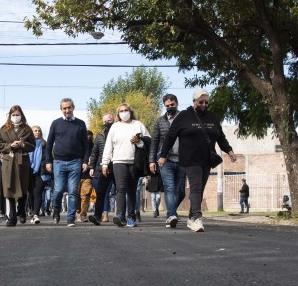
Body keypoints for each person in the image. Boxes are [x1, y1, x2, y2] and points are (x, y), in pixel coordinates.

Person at [158, 88, 238, 233]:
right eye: (201, 102)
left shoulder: (212, 117)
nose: (203, 105)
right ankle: (197, 218)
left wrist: (229, 151)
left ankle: (190, 216)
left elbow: (220, 137)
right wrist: (163, 155)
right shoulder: (184, 116)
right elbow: (170, 136)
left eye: (206, 102)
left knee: (200, 189)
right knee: (195, 187)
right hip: (190, 159)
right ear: (194, 101)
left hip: (206, 159)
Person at [101, 104, 150, 227]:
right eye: (121, 111)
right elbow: (108, 146)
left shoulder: (138, 124)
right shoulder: (115, 127)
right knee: (120, 189)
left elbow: (148, 141)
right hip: (118, 161)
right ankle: (120, 216)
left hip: (134, 162)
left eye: (126, 110)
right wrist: (105, 163)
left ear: (130, 111)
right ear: (118, 114)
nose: (124, 113)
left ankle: (131, 217)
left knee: (132, 190)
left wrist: (139, 141)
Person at [44, 98, 90, 227]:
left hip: (75, 162)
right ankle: (56, 210)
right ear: (61, 109)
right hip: (58, 162)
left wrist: (85, 161)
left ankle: (70, 218)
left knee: (73, 191)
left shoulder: (80, 124)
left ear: (73, 108)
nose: (67, 110)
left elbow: (85, 145)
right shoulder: (56, 123)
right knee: (58, 190)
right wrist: (48, 161)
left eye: (69, 107)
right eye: (64, 108)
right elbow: (49, 144)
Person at [149, 93, 187, 229]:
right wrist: (152, 160)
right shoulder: (160, 121)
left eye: (172, 104)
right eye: (167, 106)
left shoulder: (185, 119)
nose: (170, 107)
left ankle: (171, 214)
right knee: (170, 188)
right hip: (165, 160)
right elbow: (154, 142)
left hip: (182, 160)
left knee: (180, 192)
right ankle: (171, 215)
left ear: (177, 103)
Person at [0, 105, 36, 227]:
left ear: (21, 115)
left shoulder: (27, 129)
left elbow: (33, 146)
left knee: (23, 188)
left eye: (17, 115)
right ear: (10, 116)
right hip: (9, 162)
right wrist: (10, 146)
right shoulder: (4, 129)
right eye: (13, 115)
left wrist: (23, 145)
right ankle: (12, 217)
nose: (15, 117)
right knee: (9, 189)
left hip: (23, 161)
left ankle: (21, 211)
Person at [86, 113, 115, 226]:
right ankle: (98, 215)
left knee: (121, 191)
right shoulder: (99, 135)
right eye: (105, 121)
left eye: (109, 120)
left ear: (114, 120)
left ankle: (123, 215)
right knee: (101, 191)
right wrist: (92, 167)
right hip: (102, 166)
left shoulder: (118, 131)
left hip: (117, 165)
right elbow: (94, 152)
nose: (107, 123)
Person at [27, 125, 48, 224]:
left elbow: (48, 157)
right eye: (35, 131)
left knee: (38, 192)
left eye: (39, 131)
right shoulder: (27, 144)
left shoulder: (44, 144)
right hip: (29, 171)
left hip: (41, 172)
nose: (37, 132)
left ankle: (36, 214)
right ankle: (32, 210)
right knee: (31, 193)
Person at [77, 130, 95, 222]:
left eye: (90, 137)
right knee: (76, 194)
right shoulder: (77, 146)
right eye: (87, 137)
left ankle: (83, 214)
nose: (89, 139)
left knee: (85, 195)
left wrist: (91, 165)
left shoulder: (94, 147)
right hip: (76, 174)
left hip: (88, 175)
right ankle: (78, 212)